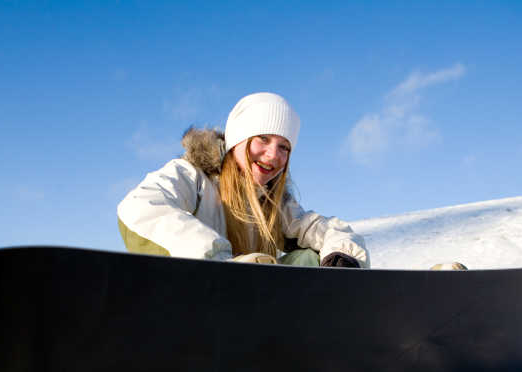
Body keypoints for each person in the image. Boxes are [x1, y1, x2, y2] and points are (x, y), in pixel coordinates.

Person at [117, 92, 369, 268]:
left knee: (311, 258)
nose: (273, 155)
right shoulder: (192, 177)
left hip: (253, 307)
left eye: (284, 147)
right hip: (196, 299)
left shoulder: (273, 201)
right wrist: (218, 261)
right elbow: (140, 208)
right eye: (262, 139)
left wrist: (342, 256)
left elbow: (322, 230)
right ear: (238, 139)